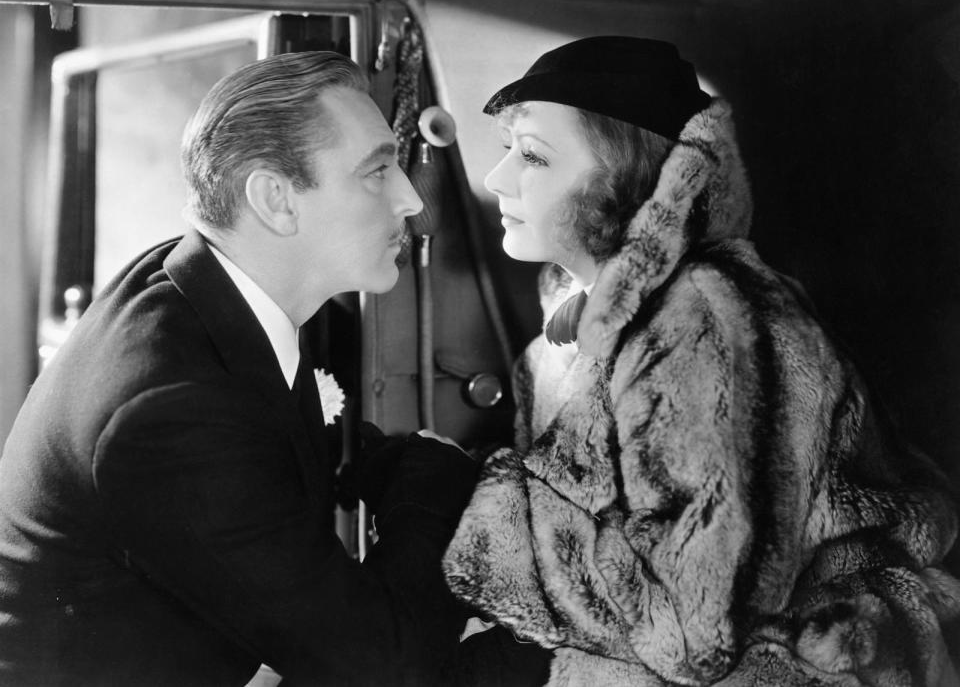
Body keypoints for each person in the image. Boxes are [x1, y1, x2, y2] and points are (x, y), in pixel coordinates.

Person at [443, 37, 960, 686]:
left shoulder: (702, 327)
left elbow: (691, 632)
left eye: (535, 157)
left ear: (629, 180)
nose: (497, 179)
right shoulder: (582, 319)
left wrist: (491, 524)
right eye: (506, 152)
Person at [0, 51, 478, 686]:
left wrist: (400, 465)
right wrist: (440, 489)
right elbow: (383, 664)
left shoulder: (199, 281)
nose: (410, 200)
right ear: (275, 199)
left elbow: (277, 448)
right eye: (378, 171)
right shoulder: (168, 409)